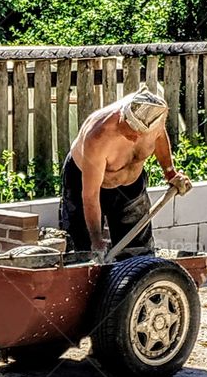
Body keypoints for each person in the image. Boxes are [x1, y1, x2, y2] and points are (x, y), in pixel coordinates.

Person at [59, 85, 192, 256]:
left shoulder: (155, 115)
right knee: (83, 251)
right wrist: (96, 241)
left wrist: (170, 173)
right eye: (130, 129)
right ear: (124, 115)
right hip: (84, 184)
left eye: (139, 133)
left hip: (131, 185)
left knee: (138, 252)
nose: (134, 137)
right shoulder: (98, 135)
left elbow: (160, 137)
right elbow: (90, 196)